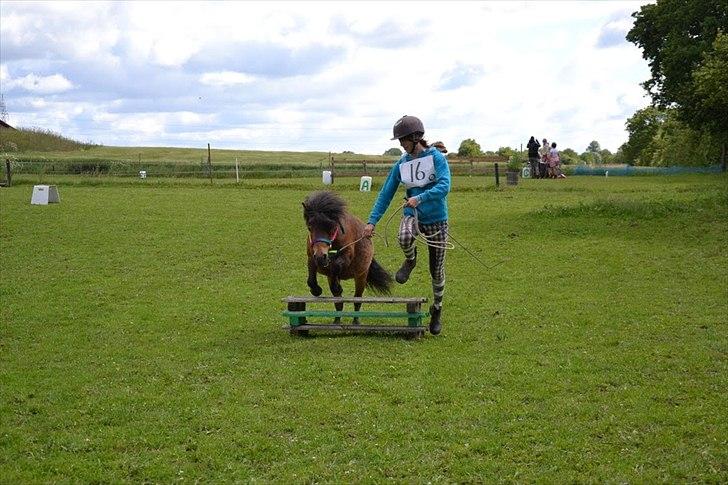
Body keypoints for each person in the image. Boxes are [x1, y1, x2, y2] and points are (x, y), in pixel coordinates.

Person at [362, 115, 451, 335]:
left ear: (415, 137)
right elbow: (385, 194)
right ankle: (410, 261)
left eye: (403, 140)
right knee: (403, 237)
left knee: (436, 270)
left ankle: (437, 309)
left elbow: (444, 186)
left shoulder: (437, 158)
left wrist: (420, 198)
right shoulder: (401, 164)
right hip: (412, 215)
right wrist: (372, 222)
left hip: (437, 219)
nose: (401, 144)